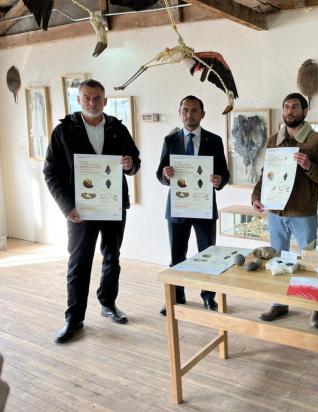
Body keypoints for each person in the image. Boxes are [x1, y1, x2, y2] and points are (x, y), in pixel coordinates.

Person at [43, 79, 141, 344]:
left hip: (113, 206)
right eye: (86, 98)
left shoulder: (118, 129)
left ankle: (108, 304)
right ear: (79, 100)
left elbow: (134, 162)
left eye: (97, 98)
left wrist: (130, 165)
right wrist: (67, 206)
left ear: (105, 100)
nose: (92, 103)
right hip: (80, 211)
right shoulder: (63, 131)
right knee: (79, 263)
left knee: (112, 257)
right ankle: (74, 319)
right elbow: (51, 172)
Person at [252, 93, 318, 329]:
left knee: (311, 261)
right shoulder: (275, 139)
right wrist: (256, 194)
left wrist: (308, 166)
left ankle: (316, 308)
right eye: (286, 107)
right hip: (276, 213)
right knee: (276, 261)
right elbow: (267, 172)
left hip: (303, 213)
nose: (289, 111)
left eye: (295, 107)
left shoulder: (317, 140)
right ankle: (279, 303)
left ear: (305, 111)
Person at [157, 95, 230, 315]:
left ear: (202, 114)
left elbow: (224, 173)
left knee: (208, 256)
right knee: (177, 255)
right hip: (178, 208)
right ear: (180, 113)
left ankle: (209, 297)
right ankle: (176, 295)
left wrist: (219, 181)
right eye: (185, 110)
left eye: (194, 110)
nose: (190, 114)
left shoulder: (214, 140)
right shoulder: (170, 141)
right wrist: (166, 175)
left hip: (204, 207)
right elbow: (160, 174)